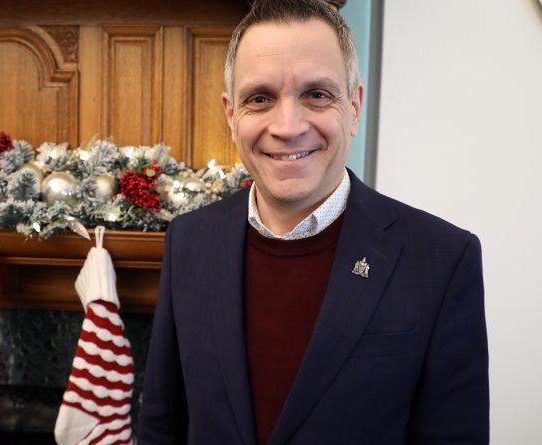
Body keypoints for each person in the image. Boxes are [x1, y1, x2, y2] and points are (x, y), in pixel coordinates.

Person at [137, 0, 489, 443]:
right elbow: (162, 427)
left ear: (355, 106)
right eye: (260, 98)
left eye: (317, 95)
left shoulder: (441, 259)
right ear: (231, 115)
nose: (287, 126)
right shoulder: (188, 242)